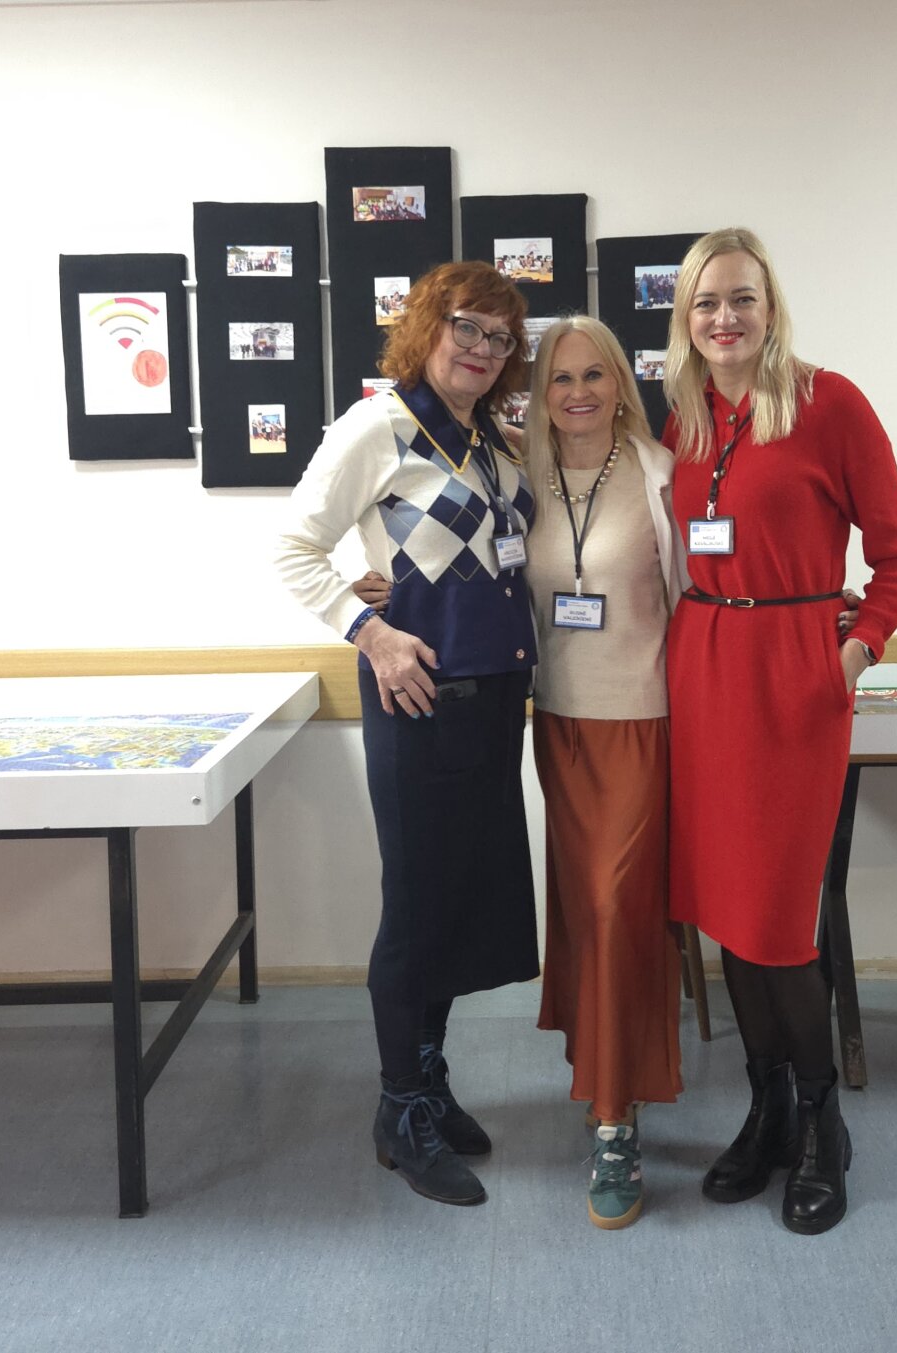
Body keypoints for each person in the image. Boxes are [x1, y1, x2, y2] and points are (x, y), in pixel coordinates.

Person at [663, 228, 897, 1235]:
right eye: (705, 302)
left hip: (791, 680)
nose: (724, 318)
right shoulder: (685, 416)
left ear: (770, 307)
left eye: (742, 298)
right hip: (704, 670)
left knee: (777, 919)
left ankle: (821, 1123)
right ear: (686, 319)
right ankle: (766, 1106)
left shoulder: (830, 404)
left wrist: (855, 650)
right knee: (727, 911)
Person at [275, 262, 537, 1209]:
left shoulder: (492, 439)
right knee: (418, 907)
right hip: (418, 697)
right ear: (428, 325)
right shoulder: (376, 424)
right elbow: (293, 546)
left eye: (500, 337)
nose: (482, 348)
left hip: (494, 698)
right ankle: (398, 1108)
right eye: (467, 326)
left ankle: (428, 1077)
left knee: (459, 901)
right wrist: (370, 629)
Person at [521, 316, 686, 1230]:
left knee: (621, 906)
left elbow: (701, 601)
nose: (578, 392)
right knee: (586, 912)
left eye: (595, 374)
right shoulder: (522, 476)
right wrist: (376, 587)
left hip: (643, 725)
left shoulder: (661, 475)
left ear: (621, 382)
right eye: (561, 377)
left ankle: (617, 1120)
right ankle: (603, 1071)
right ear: (540, 392)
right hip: (561, 728)